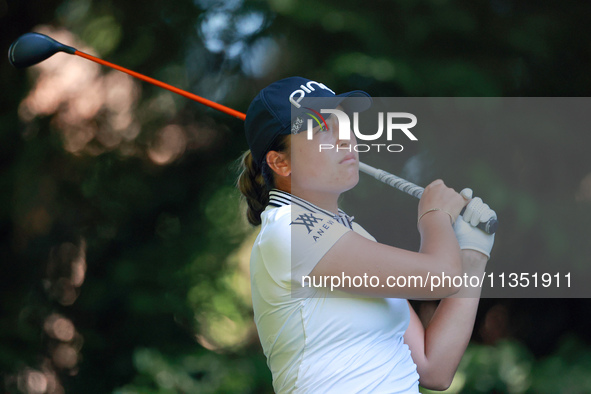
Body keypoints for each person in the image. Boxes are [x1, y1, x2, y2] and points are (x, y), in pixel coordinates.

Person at [237, 76, 496, 393]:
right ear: (281, 162)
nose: (345, 139)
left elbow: (433, 367)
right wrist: (435, 216)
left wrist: (471, 256)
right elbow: (439, 276)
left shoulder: (355, 237)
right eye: (321, 128)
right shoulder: (288, 228)